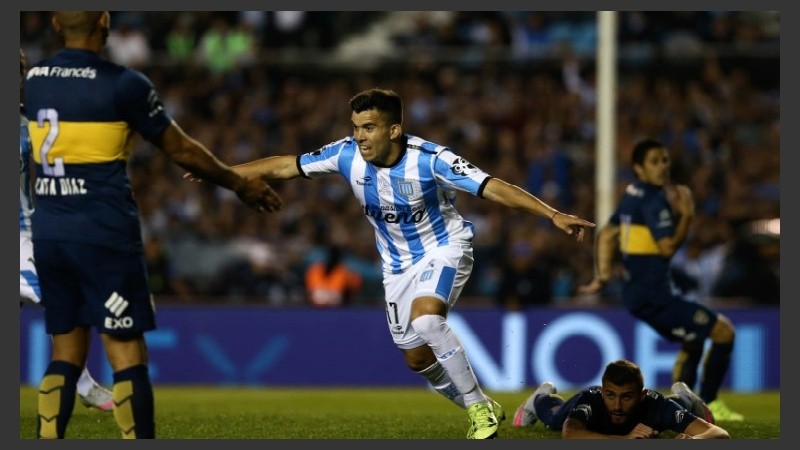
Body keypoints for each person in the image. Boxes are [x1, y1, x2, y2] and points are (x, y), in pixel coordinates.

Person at [189, 88, 596, 438]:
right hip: (397, 266)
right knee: (416, 358)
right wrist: (223, 174)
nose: (359, 136)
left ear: (394, 130)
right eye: (355, 127)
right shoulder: (345, 154)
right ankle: (483, 403)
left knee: (427, 321)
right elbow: (284, 165)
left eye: (368, 127)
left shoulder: (432, 159)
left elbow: (493, 187)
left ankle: (478, 408)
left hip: (445, 247)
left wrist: (552, 214)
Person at [24, 12, 282, 439]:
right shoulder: (123, 84)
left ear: (55, 23)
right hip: (103, 233)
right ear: (104, 21)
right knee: (126, 354)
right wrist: (239, 183)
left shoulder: (34, 80)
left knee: (66, 353)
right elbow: (181, 150)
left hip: (49, 232)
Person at [577, 138, 743, 421]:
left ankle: (687, 407)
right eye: (654, 161)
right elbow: (666, 248)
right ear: (638, 168)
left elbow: (606, 234)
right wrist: (687, 216)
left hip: (640, 294)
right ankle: (711, 403)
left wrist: (602, 276)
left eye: (665, 160)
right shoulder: (654, 200)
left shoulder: (632, 194)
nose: (663, 166)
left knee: (693, 338)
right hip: (656, 296)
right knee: (723, 332)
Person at [19, 47, 114, 414]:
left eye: (20, 69)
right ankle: (83, 383)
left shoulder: (30, 122)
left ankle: (82, 382)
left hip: (27, 232)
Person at [512, 359, 730, 439]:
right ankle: (540, 396)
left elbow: (719, 433)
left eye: (626, 397)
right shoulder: (592, 400)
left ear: (642, 396)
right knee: (555, 420)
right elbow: (570, 434)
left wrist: (695, 441)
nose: (617, 405)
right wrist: (624, 439)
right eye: (610, 395)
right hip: (576, 405)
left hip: (660, 403)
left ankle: (685, 397)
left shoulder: (656, 405)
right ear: (603, 391)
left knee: (674, 409)